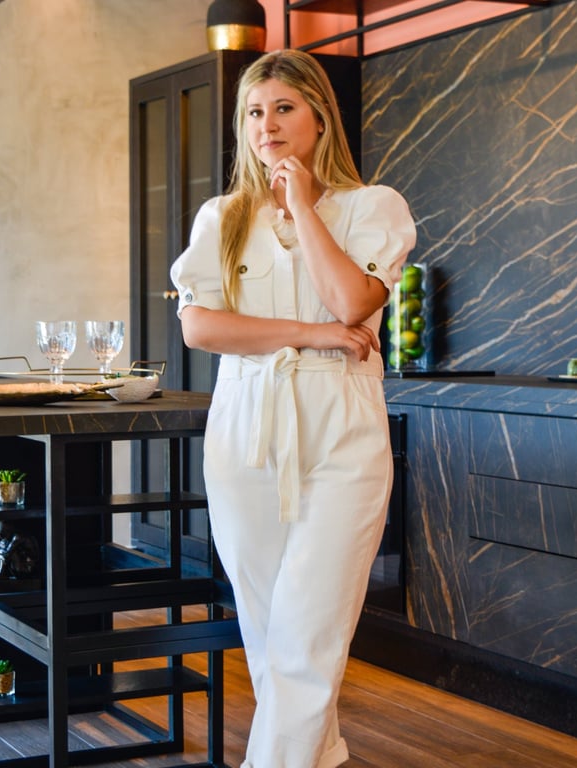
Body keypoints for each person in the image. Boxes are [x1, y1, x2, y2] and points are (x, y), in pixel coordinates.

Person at [170, 49, 416, 768]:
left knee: (310, 631)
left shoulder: (373, 207)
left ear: (320, 118)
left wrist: (304, 204)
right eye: (254, 112)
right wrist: (312, 335)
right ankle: (321, 754)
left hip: (341, 432)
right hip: (245, 427)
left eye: (283, 108)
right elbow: (200, 327)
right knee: (270, 628)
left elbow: (352, 301)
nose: (267, 125)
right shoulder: (222, 217)